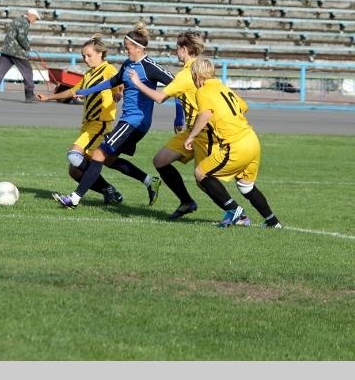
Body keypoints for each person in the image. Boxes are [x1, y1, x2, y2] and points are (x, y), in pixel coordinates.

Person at [52, 22, 185, 209]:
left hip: (135, 122)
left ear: (138, 48)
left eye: (127, 47)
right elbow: (112, 82)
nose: (125, 50)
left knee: (98, 153)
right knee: (108, 159)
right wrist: (86, 91)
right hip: (127, 121)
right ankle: (149, 181)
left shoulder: (150, 67)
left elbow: (178, 88)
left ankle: (74, 198)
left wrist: (179, 118)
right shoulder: (128, 64)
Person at [125, 30, 217, 220]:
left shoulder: (188, 73)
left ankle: (235, 211)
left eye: (177, 48)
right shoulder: (196, 70)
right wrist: (179, 118)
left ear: (184, 49)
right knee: (161, 160)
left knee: (203, 179)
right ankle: (186, 202)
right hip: (191, 129)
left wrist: (137, 83)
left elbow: (160, 97)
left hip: (203, 130)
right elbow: (181, 96)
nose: (176, 51)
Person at [184, 58, 282, 228]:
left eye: (193, 75)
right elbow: (243, 107)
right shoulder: (224, 87)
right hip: (252, 139)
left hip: (236, 144)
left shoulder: (203, 90)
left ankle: (234, 210)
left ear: (197, 75)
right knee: (246, 186)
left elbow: (205, 114)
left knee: (201, 173)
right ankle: (273, 222)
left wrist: (191, 136)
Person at [37, 34, 124, 204]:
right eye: (83, 56)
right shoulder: (89, 74)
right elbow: (73, 91)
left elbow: (120, 82)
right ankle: (109, 190)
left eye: (89, 55)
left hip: (100, 123)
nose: (85, 59)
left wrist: (119, 93)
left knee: (74, 155)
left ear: (100, 53)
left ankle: (77, 197)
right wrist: (48, 97)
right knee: (75, 171)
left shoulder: (108, 69)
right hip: (88, 124)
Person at [0, 8, 41, 104]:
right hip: (17, 52)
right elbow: (21, 37)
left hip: (6, 50)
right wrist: (28, 47)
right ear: (31, 15)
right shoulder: (25, 22)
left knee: (0, 71)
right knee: (27, 71)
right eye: (35, 18)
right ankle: (29, 95)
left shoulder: (16, 20)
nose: (35, 21)